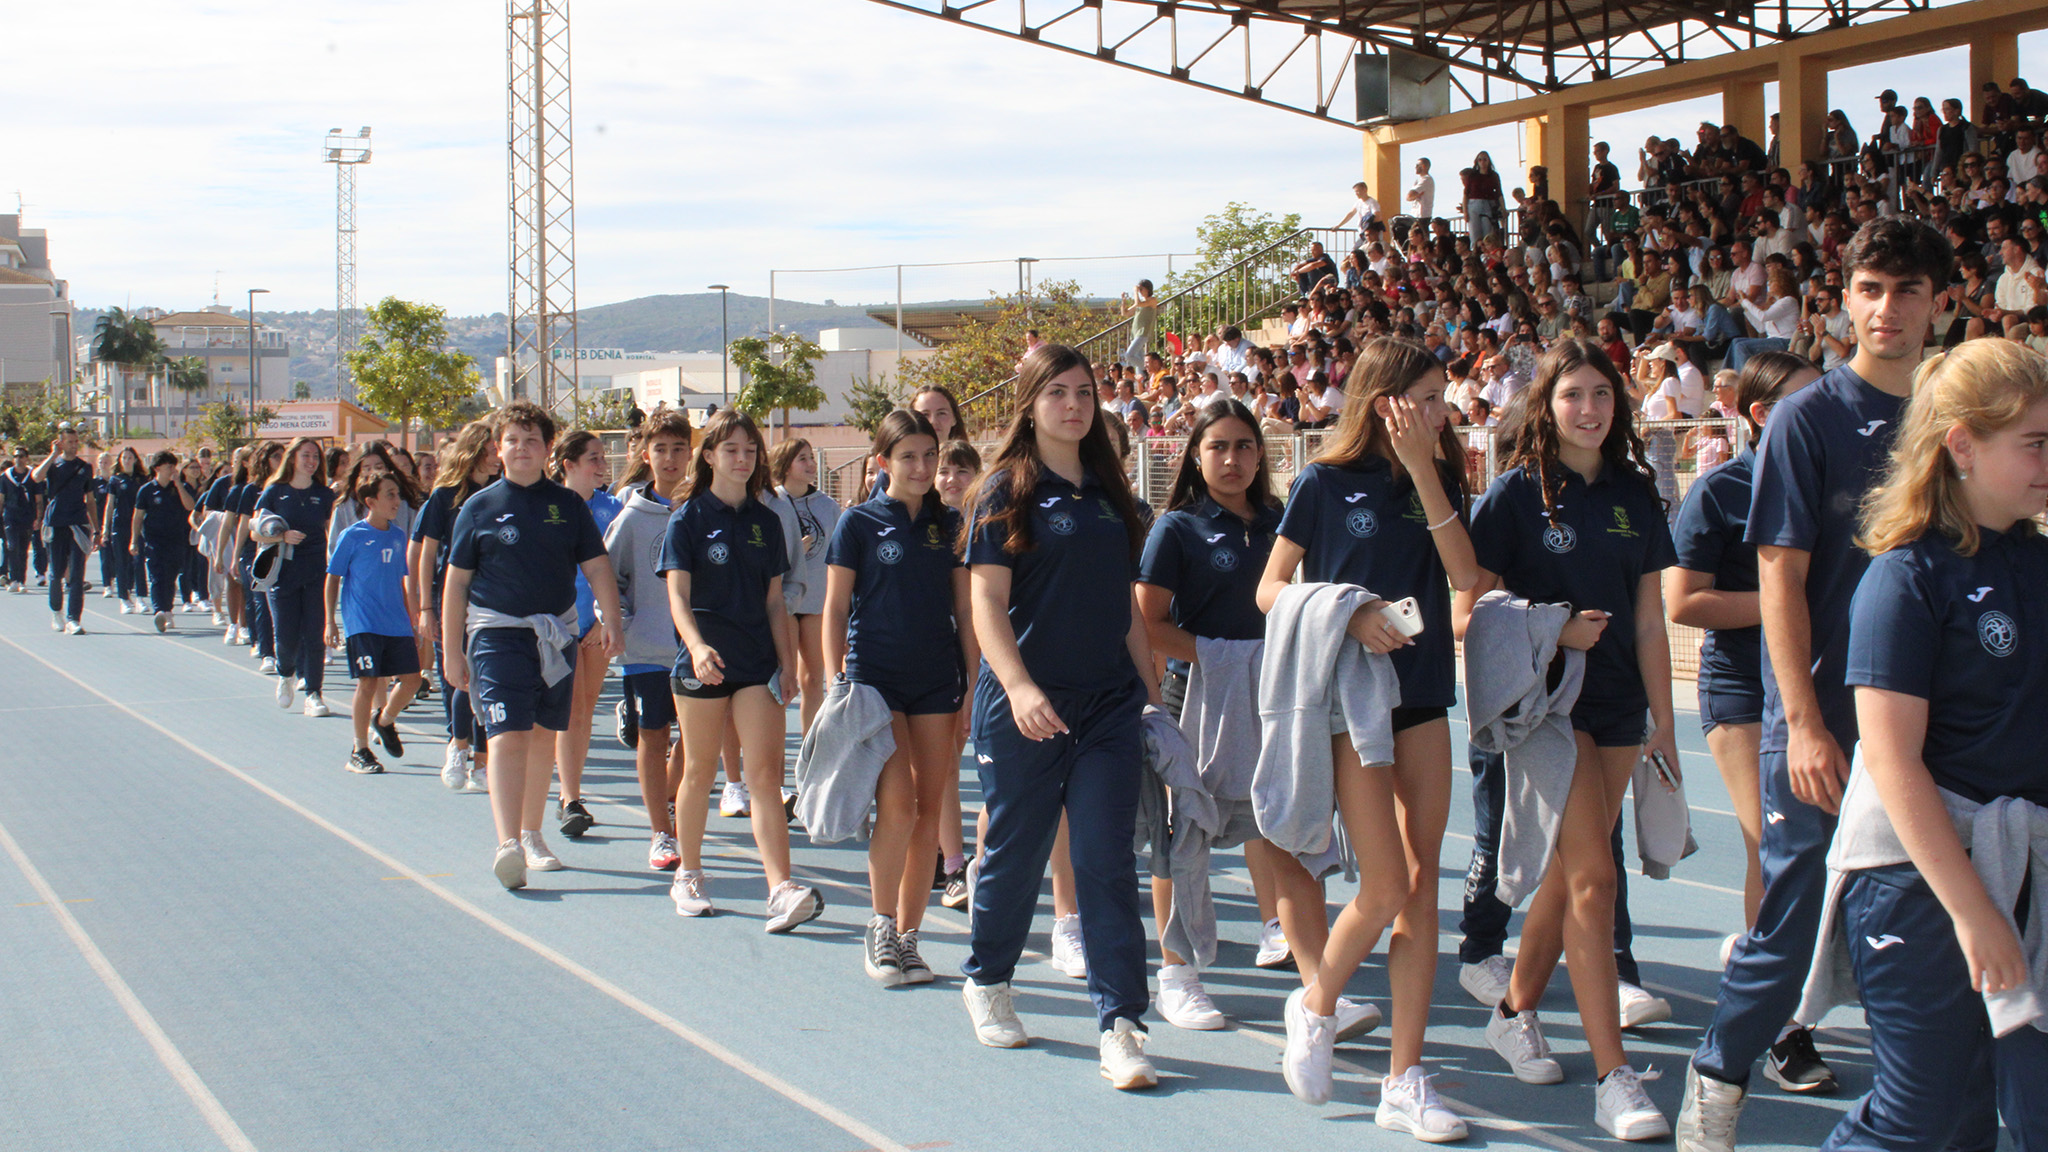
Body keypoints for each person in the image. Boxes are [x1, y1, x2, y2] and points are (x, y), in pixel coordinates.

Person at [1676, 216, 1954, 1150]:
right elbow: (1781, 581)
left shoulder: (1961, 416)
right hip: (1829, 719)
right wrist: (1801, 723)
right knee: (1791, 921)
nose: (1888, 309)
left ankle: (1930, 1103)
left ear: (1941, 303)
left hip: (1939, 724)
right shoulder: (1808, 418)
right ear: (1845, 299)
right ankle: (1718, 1076)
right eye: (1871, 289)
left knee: (1948, 911)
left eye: (1908, 290)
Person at [1814, 337, 2048, 1150]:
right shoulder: (1906, 579)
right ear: (1962, 447)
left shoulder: (2038, 560)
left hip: (2025, 872)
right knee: (1927, 1120)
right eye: (2035, 443)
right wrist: (1973, 910)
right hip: (1922, 882)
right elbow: (1890, 760)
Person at [1454, 338, 1680, 1141]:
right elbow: (1468, 616)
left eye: (1602, 395)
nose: (1590, 409)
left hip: (1622, 709)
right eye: (1572, 395)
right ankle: (1615, 1076)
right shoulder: (1514, 498)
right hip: (1550, 714)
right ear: (1545, 406)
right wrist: (1553, 632)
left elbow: (1651, 618)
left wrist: (1666, 723)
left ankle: (1513, 1011)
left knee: (1563, 880)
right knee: (1593, 878)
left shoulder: (1636, 492)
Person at [1254, 338, 1479, 1141]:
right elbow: (1270, 587)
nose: (1435, 409)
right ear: (1381, 397)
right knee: (1383, 884)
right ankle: (1316, 1008)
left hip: (1421, 696)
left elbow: (1466, 576)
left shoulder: (1438, 477)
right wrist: (1345, 610)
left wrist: (1424, 468)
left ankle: (1404, 1078)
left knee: (1422, 888)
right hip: (1352, 702)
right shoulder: (1323, 480)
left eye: (1442, 396)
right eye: (1422, 395)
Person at [958, 342, 1161, 1091]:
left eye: (1085, 392)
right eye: (1057, 393)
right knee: (1016, 849)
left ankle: (1121, 1024)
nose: (1073, 404)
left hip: (1107, 704)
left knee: (1106, 859)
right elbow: (985, 603)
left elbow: (1125, 606)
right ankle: (988, 977)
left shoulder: (1113, 493)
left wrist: (1151, 689)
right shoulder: (1003, 490)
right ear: (1031, 402)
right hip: (1027, 707)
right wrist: (1017, 688)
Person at [1666, 353, 1820, 939]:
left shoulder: (1836, 488)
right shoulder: (1720, 489)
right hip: (1743, 687)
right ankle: (1770, 996)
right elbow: (1681, 603)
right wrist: (1784, 603)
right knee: (1773, 843)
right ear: (1759, 414)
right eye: (1805, 405)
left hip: (1819, 682)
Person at [441, 402, 623, 889]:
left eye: (532, 440)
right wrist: (450, 650)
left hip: (556, 636)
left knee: (544, 734)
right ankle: (507, 844)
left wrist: (611, 619)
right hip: (497, 635)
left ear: (547, 449)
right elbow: (456, 583)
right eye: (513, 440)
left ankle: (532, 832)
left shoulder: (567, 507)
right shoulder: (477, 508)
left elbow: (597, 566)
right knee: (506, 734)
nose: (522, 448)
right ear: (497, 449)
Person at [822, 410, 975, 986]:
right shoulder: (858, 524)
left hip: (938, 681)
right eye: (908, 456)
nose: (921, 467)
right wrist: (839, 680)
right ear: (882, 462)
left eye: (930, 456)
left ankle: (909, 937)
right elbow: (836, 608)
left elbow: (964, 612)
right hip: (876, 681)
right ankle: (880, 924)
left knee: (930, 812)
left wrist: (969, 685)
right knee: (901, 805)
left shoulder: (952, 525)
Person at [658, 409, 823, 929]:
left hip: (756, 664)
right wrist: (698, 647)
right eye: (730, 449)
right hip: (702, 664)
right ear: (708, 457)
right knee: (700, 771)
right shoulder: (686, 520)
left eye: (749, 450)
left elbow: (776, 601)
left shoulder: (767, 522)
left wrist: (788, 660)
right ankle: (689, 873)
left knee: (765, 777)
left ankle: (781, 886)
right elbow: (678, 599)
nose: (741, 457)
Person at [604, 408, 693, 872]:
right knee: (654, 735)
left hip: (697, 650)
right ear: (646, 455)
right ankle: (660, 830)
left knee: (695, 741)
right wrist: (619, 621)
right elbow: (609, 577)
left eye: (679, 448)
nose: (671, 458)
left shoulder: (701, 511)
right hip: (647, 651)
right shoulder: (631, 517)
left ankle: (673, 801)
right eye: (661, 449)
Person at [415, 422, 501, 792]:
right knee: (459, 674)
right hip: (453, 593)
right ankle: (458, 745)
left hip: (494, 595)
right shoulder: (446, 495)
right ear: (478, 449)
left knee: (486, 675)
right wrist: (424, 607)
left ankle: (482, 760)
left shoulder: (504, 492)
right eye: (494, 447)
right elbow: (426, 551)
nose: (499, 453)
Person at [547, 430, 623, 839]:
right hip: (556, 624)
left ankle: (570, 793)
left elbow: (614, 568)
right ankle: (568, 796)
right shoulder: (549, 505)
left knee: (584, 708)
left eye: (601, 457)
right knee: (569, 707)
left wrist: (604, 619)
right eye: (592, 458)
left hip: (595, 625)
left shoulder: (613, 508)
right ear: (569, 465)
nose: (601, 464)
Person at [323, 472, 421, 774]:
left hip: (395, 621)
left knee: (413, 681)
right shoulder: (352, 536)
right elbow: (333, 579)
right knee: (367, 682)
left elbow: (402, 579)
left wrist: (411, 618)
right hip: (363, 621)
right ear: (371, 501)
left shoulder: (397, 535)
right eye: (390, 494)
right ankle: (359, 749)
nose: (397, 501)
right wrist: (331, 621)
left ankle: (385, 719)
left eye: (398, 494)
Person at [251, 437, 338, 718]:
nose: (311, 461)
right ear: (293, 458)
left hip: (315, 572)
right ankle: (285, 673)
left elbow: (332, 532)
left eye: (316, 456)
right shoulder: (275, 492)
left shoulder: (324, 495)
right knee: (286, 638)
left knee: (314, 636)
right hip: (283, 573)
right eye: (306, 455)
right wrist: (281, 535)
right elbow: (255, 531)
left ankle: (314, 693)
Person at [933, 438, 982, 908]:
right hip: (933, 659)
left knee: (965, 762)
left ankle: (966, 858)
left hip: (984, 659)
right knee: (943, 765)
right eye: (944, 470)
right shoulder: (926, 526)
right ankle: (951, 861)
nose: (951, 479)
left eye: (962, 471)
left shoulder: (987, 525)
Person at [765, 438, 839, 737]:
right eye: (802, 459)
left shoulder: (828, 506)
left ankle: (810, 754)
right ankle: (776, 763)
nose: (811, 464)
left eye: (811, 457)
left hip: (817, 600)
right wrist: (790, 547)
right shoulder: (769, 502)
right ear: (785, 464)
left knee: (813, 680)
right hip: (782, 601)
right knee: (786, 681)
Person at [33, 423, 99, 635]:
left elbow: (90, 500)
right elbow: (36, 477)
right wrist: (53, 454)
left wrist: (96, 528)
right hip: (55, 523)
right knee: (56, 572)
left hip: (78, 524)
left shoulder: (85, 467)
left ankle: (74, 619)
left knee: (77, 573)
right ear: (61, 443)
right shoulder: (54, 465)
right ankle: (56, 612)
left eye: (75, 441)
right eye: (69, 442)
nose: (73, 445)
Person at [130, 450, 195, 632]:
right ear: (157, 468)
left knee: (171, 577)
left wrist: (179, 485)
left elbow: (190, 506)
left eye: (174, 467)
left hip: (177, 540)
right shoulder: (146, 490)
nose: (172, 470)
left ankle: (167, 610)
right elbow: (138, 517)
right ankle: (160, 610)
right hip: (154, 541)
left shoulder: (181, 487)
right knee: (157, 576)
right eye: (168, 467)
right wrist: (134, 540)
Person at [100, 446, 146, 613]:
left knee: (138, 561)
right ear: (120, 460)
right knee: (121, 562)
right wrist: (106, 529)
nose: (127, 460)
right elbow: (109, 505)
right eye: (124, 458)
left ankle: (140, 597)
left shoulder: (142, 479)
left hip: (138, 526)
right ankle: (124, 598)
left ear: (135, 460)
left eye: (130, 457)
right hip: (120, 525)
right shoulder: (115, 480)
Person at [3, 446, 43, 594]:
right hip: (11, 518)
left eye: (21, 456)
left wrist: (38, 518)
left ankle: (21, 580)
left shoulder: (33, 477)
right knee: (12, 547)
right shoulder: (6, 477)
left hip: (27, 517)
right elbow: (1, 499)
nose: (18, 459)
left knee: (23, 550)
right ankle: (14, 579)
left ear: (26, 458)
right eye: (16, 456)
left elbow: (39, 500)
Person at [1122, 279, 1159, 368]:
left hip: (1143, 332)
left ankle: (1149, 368)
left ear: (1148, 289)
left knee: (1129, 355)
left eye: (1141, 289)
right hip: (1135, 333)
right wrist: (1123, 301)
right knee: (1139, 359)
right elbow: (1125, 313)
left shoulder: (1152, 300)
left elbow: (1138, 303)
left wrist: (1135, 291)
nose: (1140, 291)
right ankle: (1144, 375)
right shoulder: (1141, 303)